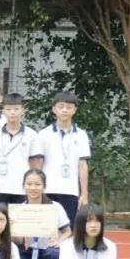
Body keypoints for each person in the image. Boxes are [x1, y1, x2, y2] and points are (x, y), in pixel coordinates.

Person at [39, 91, 91, 223]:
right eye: (61, 107)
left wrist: (84, 194)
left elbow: (83, 166)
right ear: (54, 109)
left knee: (69, 227)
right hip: (48, 189)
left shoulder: (81, 135)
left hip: (70, 190)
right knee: (47, 227)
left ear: (75, 110)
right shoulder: (43, 134)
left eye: (69, 107)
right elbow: (39, 164)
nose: (64, 110)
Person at [16, 169, 71, 259]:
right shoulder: (20, 209)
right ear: (23, 186)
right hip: (28, 251)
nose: (33, 188)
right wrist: (14, 234)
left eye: (37, 184)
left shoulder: (55, 206)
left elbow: (67, 231)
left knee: (53, 254)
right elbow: (18, 240)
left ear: (44, 186)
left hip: (47, 250)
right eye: (29, 184)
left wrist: (59, 241)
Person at [0, 93, 43, 203]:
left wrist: (32, 184)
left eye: (16, 109)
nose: (12, 112)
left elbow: (35, 163)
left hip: (21, 188)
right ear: (3, 111)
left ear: (23, 110)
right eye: (8, 109)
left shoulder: (32, 134)